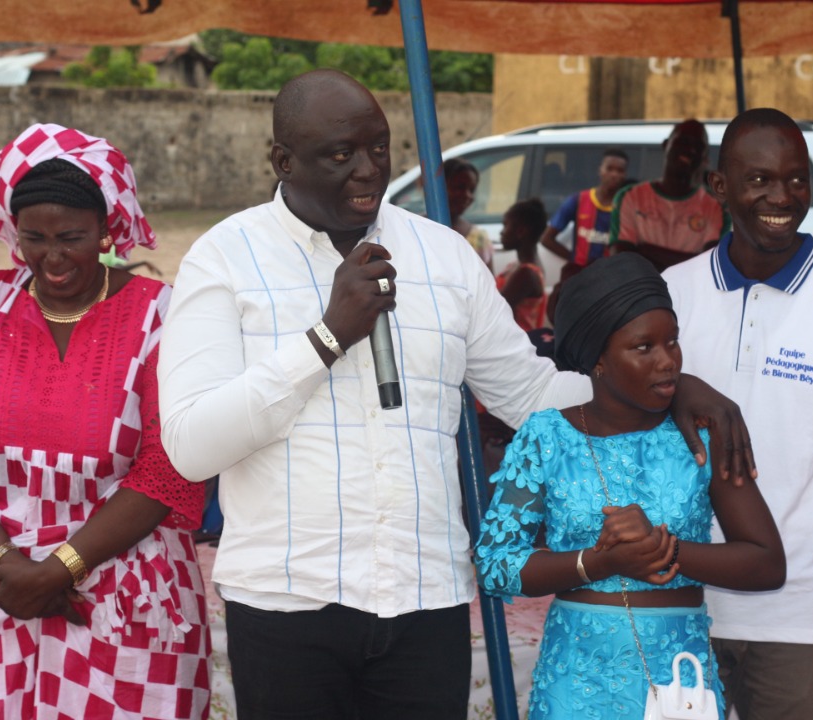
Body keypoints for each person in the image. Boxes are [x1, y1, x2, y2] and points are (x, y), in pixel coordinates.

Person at [158, 68, 754, 720]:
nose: (367, 171)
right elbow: (192, 446)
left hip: (425, 602)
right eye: (340, 155)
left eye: (379, 149)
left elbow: (529, 392)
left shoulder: (441, 258)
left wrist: (663, 388)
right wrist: (327, 338)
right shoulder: (225, 260)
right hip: (287, 605)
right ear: (282, 160)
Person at [0, 124, 211, 719]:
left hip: (123, 595)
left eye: (72, 237)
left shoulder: (160, 317)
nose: (52, 257)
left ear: (106, 231)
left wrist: (60, 568)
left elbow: (170, 468)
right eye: (33, 238)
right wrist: (9, 565)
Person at [663, 108, 813, 720]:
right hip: (679, 598)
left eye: (797, 181)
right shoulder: (672, 292)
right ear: (719, 187)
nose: (782, 197)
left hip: (800, 614)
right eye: (760, 180)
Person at [475, 252, 785, 719]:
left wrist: (668, 552)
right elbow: (496, 566)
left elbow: (766, 563)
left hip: (679, 681)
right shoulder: (546, 438)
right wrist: (598, 563)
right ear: (597, 358)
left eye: (673, 342)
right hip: (575, 686)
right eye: (644, 348)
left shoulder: (700, 436)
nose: (668, 362)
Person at [611, 119, 728, 271]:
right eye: (682, 141)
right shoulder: (629, 197)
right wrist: (688, 260)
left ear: (705, 158)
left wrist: (645, 250)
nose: (689, 150)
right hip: (641, 293)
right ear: (666, 144)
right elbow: (621, 260)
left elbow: (710, 268)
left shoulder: (716, 208)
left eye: (698, 146)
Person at [539, 148, 628, 268]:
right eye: (609, 169)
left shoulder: (627, 207)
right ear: (600, 170)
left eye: (620, 170)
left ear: (625, 175)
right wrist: (573, 260)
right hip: (581, 274)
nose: (614, 174)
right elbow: (546, 239)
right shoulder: (578, 200)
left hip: (611, 277)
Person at [496, 197, 548, 331]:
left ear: (521, 231)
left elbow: (495, 310)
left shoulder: (526, 274)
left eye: (506, 225)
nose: (502, 232)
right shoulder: (521, 267)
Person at [445, 157, 494, 272]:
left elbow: (488, 284)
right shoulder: (416, 227)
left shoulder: (478, 238)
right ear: (439, 186)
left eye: (471, 190)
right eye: (459, 187)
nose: (467, 195)